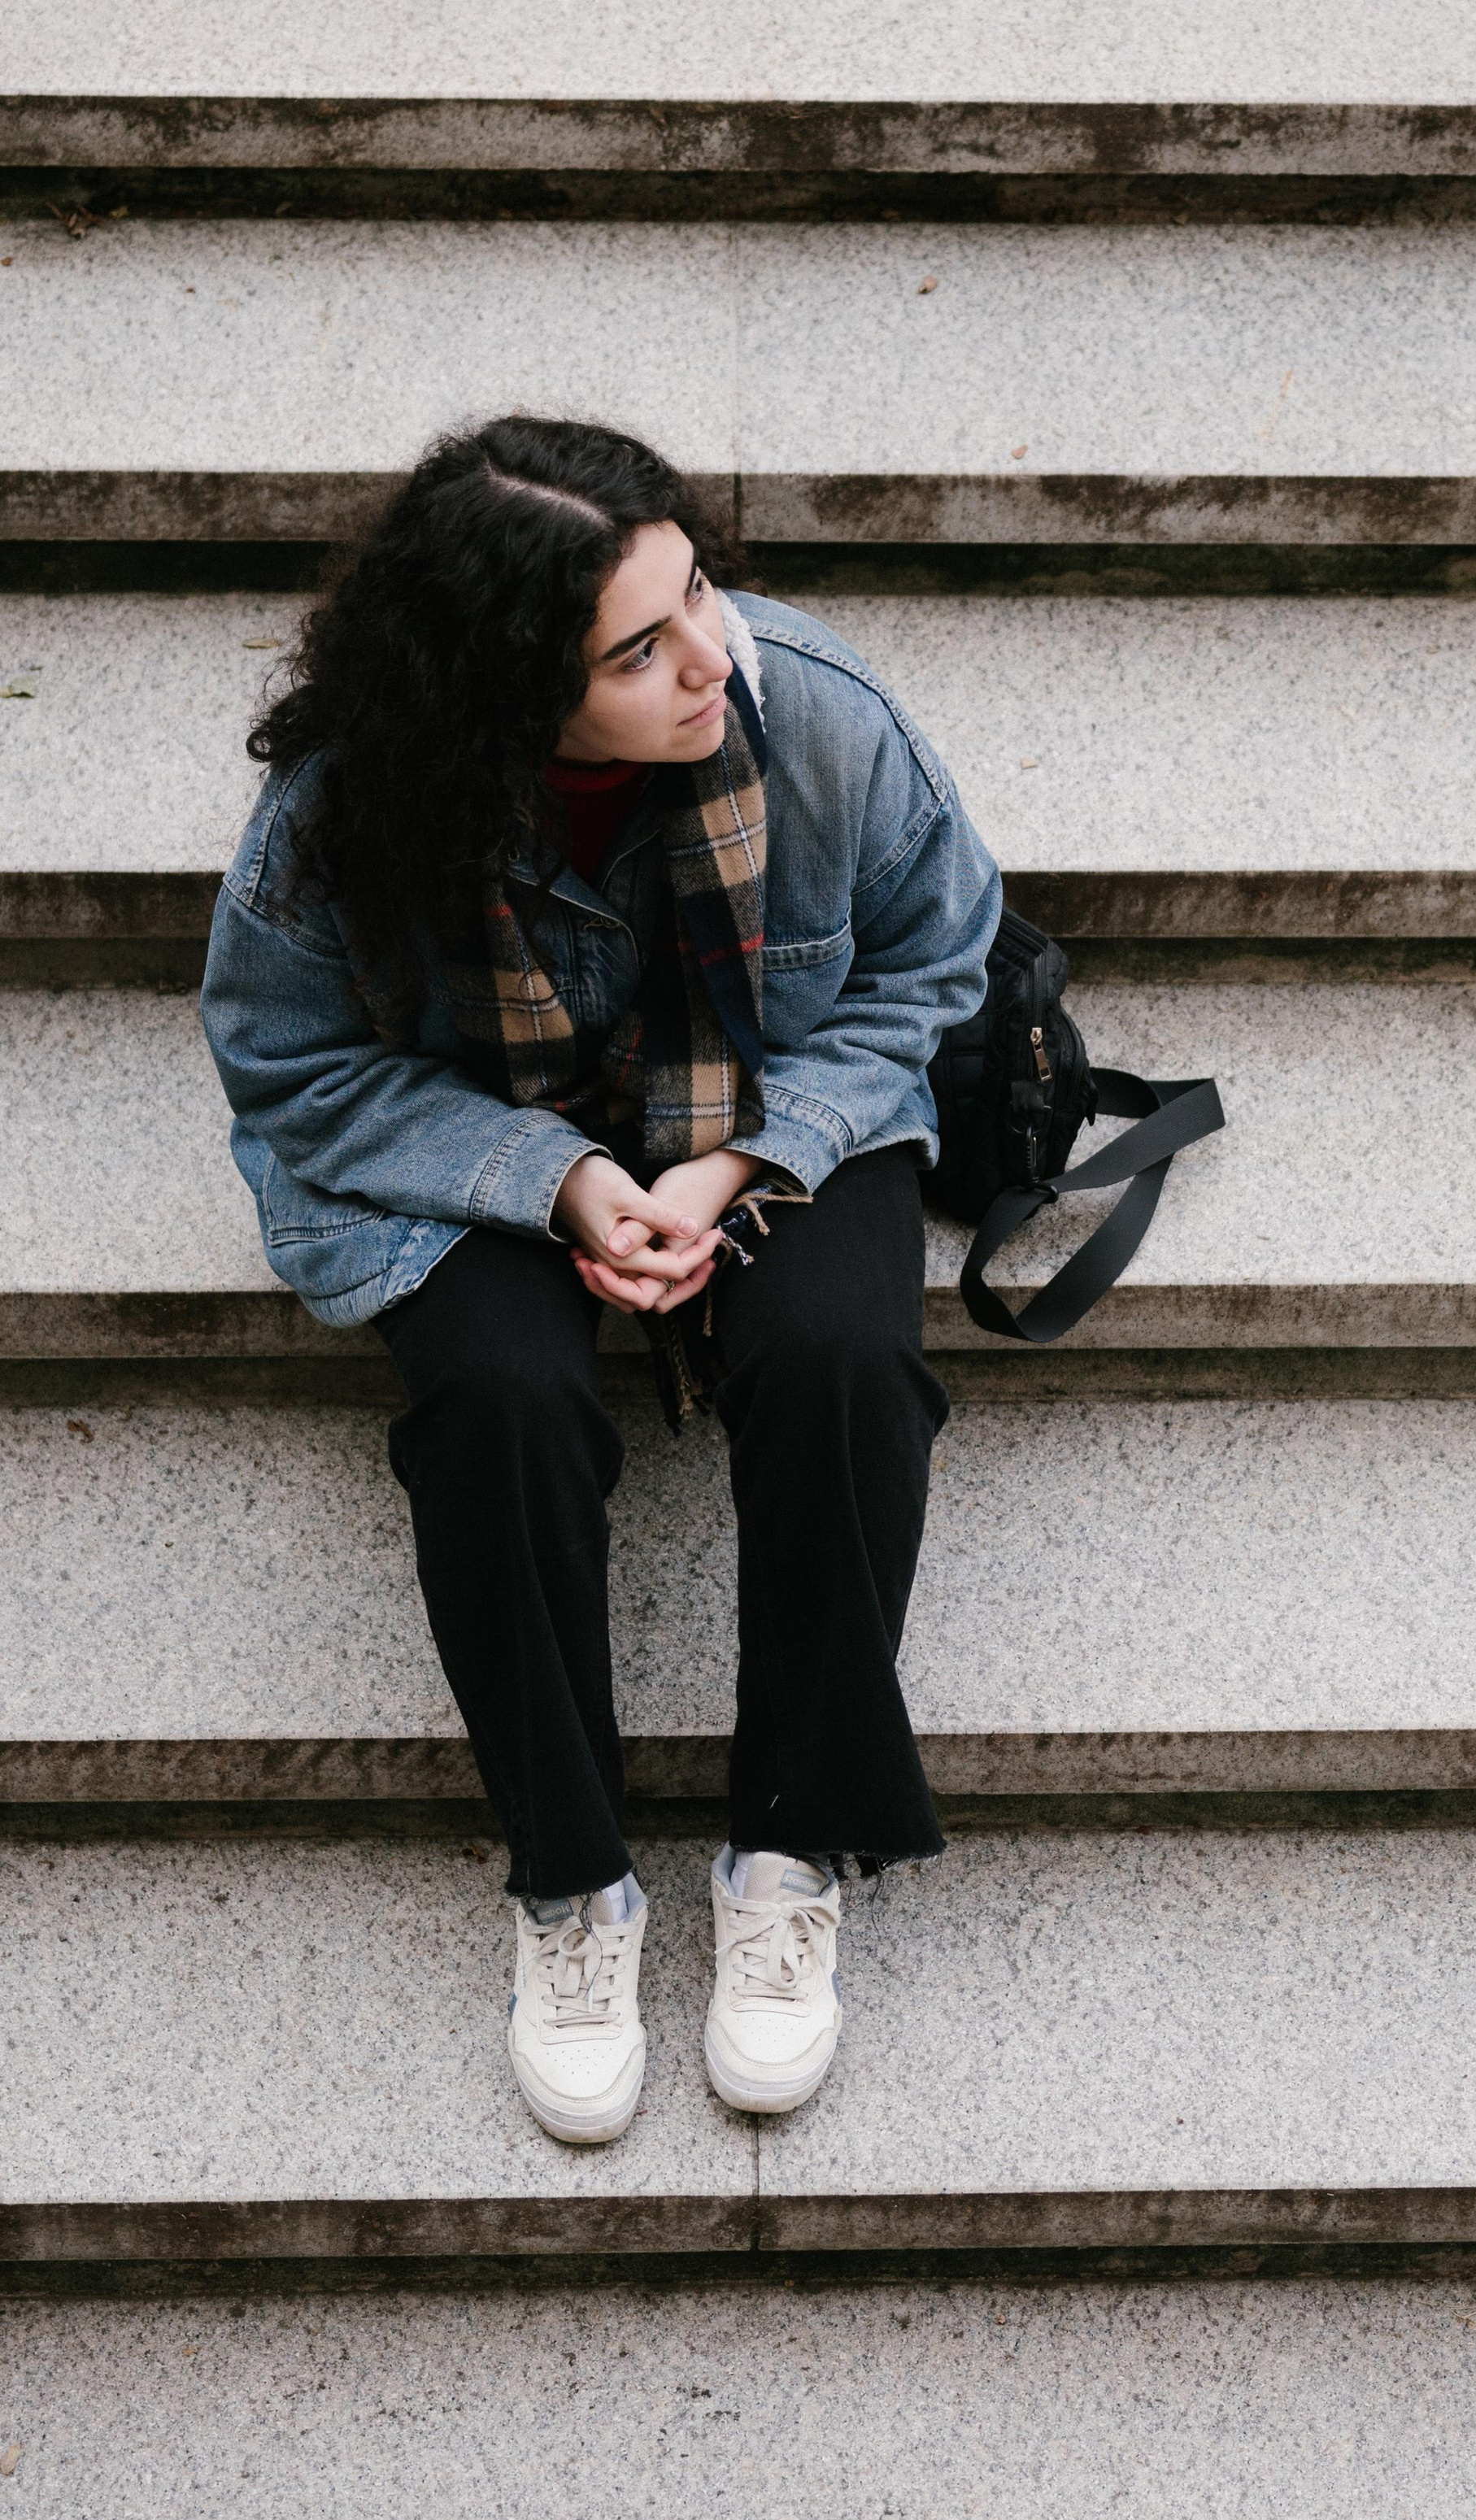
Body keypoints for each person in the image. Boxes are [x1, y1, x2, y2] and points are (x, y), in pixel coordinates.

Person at [202, 413, 1000, 2144]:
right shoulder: (345, 814)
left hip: (762, 1105)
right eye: (637, 648)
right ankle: (571, 1883)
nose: (709, 656)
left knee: (847, 1360)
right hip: (484, 1122)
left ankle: (788, 1841)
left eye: (697, 587)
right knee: (497, 1398)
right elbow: (295, 1072)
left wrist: (735, 1167)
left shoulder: (817, 718)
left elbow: (936, 962)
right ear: (506, 691)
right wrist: (557, 1181)